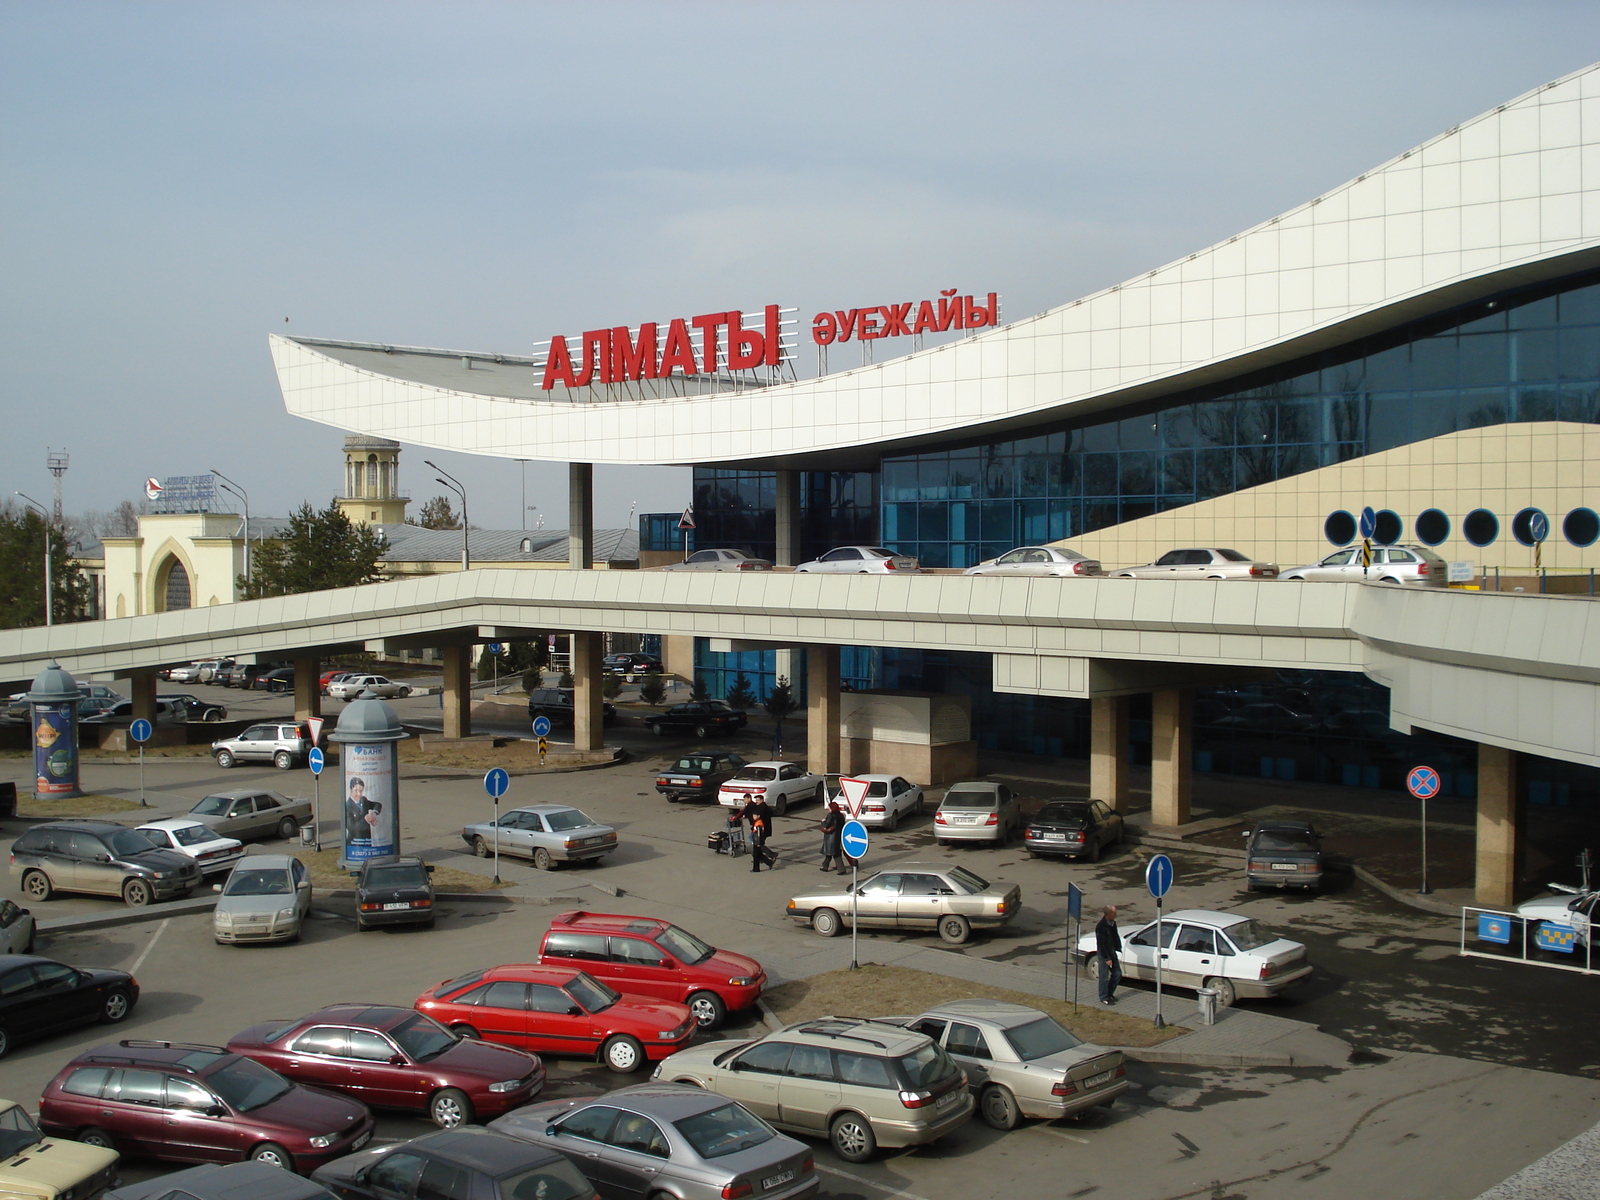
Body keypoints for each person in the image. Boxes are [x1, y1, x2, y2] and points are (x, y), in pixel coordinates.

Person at [1095, 905, 1123, 1005]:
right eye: (1114, 913)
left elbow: (1115, 936)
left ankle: (1109, 993)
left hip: (1112, 952)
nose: (1116, 915)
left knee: (1117, 974)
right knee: (1104, 977)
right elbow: (1101, 944)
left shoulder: (1112, 924)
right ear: (1109, 914)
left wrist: (1118, 947)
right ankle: (1103, 997)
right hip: (1104, 954)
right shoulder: (1101, 926)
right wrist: (1107, 958)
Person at [740, 795, 776, 872]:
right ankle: (768, 862)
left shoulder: (759, 820)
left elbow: (759, 833)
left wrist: (759, 842)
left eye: (758, 800)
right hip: (757, 838)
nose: (753, 817)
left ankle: (758, 866)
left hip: (758, 839)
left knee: (757, 852)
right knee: (757, 853)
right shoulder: (759, 811)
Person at [819, 801, 846, 873]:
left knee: (833, 853)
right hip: (838, 836)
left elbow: (826, 825)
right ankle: (825, 866)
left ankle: (841, 870)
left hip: (831, 838)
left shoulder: (831, 815)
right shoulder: (841, 815)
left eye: (829, 807)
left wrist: (823, 821)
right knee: (833, 853)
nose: (829, 809)